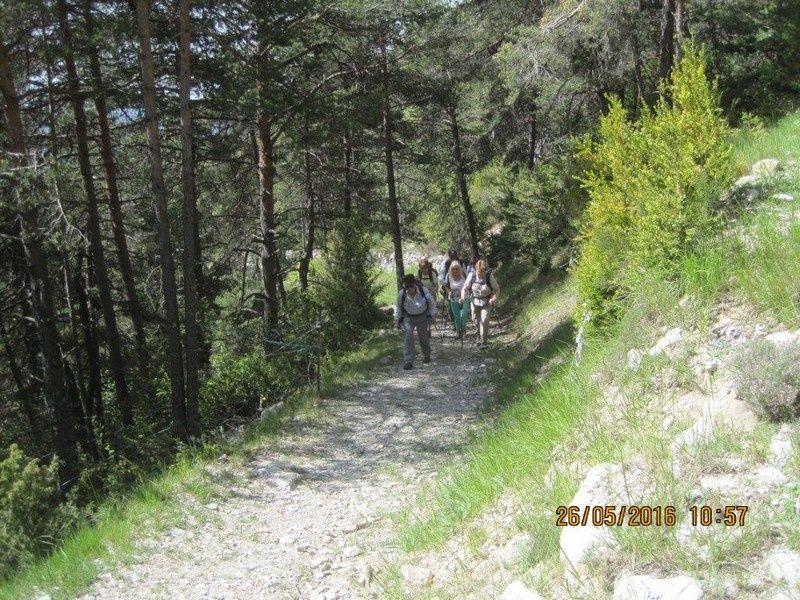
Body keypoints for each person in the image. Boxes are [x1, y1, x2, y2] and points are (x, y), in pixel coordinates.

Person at [394, 274, 436, 369]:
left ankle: (426, 355)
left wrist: (432, 315)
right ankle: (408, 361)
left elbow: (431, 303)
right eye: (406, 287)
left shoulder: (423, 291)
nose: (408, 289)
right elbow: (398, 307)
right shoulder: (402, 294)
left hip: (422, 316)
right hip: (408, 318)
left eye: (410, 286)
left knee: (423, 337)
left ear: (414, 284)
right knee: (408, 336)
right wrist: (397, 320)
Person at [462, 259, 499, 349]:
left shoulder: (489, 277)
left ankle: (483, 342)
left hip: (487, 301)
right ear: (476, 270)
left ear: (485, 270)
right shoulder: (472, 275)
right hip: (474, 301)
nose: (481, 274)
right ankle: (479, 337)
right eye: (479, 272)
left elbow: (497, 289)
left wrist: (494, 298)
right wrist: (463, 297)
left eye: (483, 272)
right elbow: (465, 288)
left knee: (484, 320)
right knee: (475, 320)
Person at [442, 261, 469, 339]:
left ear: (459, 269)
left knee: (463, 315)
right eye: (453, 269)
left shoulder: (463, 274)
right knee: (456, 316)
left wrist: (464, 291)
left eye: (456, 269)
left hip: (465, 298)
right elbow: (446, 286)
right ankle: (458, 332)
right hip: (454, 299)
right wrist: (449, 292)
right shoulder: (449, 276)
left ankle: (464, 330)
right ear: (450, 269)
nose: (455, 270)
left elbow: (469, 284)